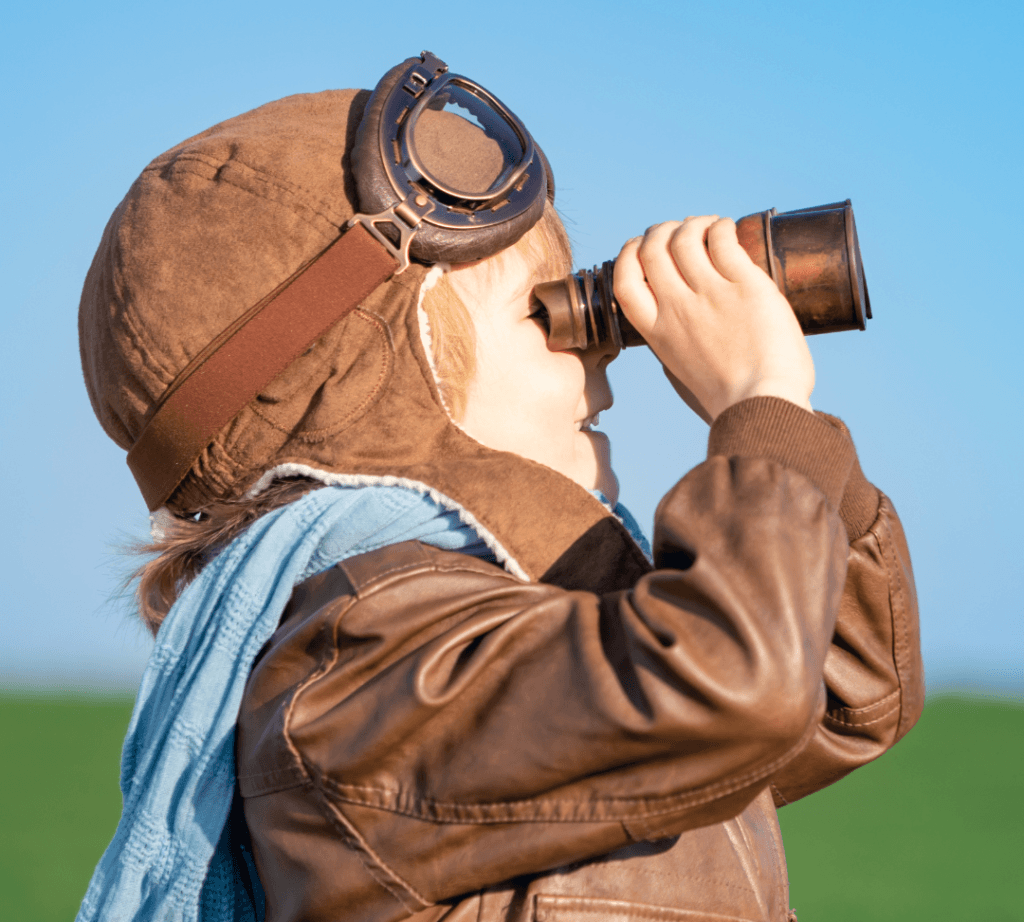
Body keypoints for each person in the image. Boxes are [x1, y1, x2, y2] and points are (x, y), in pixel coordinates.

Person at [76, 53, 923, 922]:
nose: (597, 357)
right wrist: (758, 404)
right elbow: (737, 684)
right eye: (544, 312)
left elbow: (843, 696)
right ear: (385, 369)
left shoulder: (514, 631)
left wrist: (798, 447)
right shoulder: (360, 662)